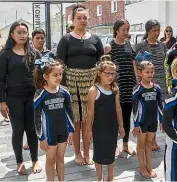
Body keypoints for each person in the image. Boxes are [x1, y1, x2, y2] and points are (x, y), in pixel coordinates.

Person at [56, 3, 104, 165]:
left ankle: (87, 153)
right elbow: (60, 64)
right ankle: (77, 153)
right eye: (79, 18)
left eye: (85, 18)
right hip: (72, 83)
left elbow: (102, 61)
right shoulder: (66, 39)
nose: (82, 21)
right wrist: (62, 88)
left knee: (89, 120)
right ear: (72, 20)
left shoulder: (95, 39)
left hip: (91, 83)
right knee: (76, 120)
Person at [0, 22, 42, 175]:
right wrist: (2, 102)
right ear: (12, 35)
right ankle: (19, 162)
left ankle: (35, 159)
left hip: (32, 97)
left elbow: (41, 76)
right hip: (13, 98)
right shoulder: (5, 55)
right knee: (18, 130)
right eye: (19, 32)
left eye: (25, 32)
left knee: (31, 129)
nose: (23, 35)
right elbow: (1, 80)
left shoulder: (35, 54)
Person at [33, 56, 74, 181]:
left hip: (63, 131)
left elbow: (70, 112)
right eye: (55, 75)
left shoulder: (65, 92)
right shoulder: (40, 94)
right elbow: (36, 118)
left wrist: (71, 130)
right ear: (46, 77)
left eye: (60, 74)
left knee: (60, 158)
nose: (59, 77)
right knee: (50, 160)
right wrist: (41, 137)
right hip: (49, 133)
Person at [85, 55, 125, 181]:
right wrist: (88, 130)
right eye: (107, 73)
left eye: (113, 74)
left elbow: (118, 109)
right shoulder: (94, 90)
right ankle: (99, 178)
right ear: (99, 73)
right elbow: (90, 112)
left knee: (111, 151)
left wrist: (121, 126)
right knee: (99, 153)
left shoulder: (115, 89)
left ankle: (110, 176)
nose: (110, 76)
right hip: (98, 128)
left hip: (112, 127)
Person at [104, 19, 137, 157]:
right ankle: (113, 146)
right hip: (116, 86)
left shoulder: (129, 45)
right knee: (114, 117)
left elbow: (133, 63)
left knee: (126, 116)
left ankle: (125, 144)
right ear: (116, 30)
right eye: (124, 30)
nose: (126, 33)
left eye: (128, 30)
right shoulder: (109, 47)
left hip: (129, 85)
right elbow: (105, 68)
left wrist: (137, 81)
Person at [136, 19, 167, 151]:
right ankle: (149, 140)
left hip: (160, 80)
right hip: (147, 81)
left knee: (159, 109)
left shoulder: (162, 45)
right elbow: (137, 63)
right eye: (154, 30)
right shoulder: (141, 45)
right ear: (148, 31)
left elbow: (165, 63)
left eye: (158, 30)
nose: (156, 33)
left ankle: (153, 138)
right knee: (148, 109)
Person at [132, 51, 163, 178]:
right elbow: (134, 107)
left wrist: (162, 120)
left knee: (149, 144)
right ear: (140, 73)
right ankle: (142, 166)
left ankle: (149, 166)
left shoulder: (157, 88)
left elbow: (160, 105)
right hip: (142, 122)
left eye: (151, 72)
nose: (150, 74)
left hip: (153, 121)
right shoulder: (138, 89)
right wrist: (136, 124)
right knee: (141, 145)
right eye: (147, 72)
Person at [24, 28, 55, 150]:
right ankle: (30, 139)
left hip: (47, 88)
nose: (40, 40)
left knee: (46, 113)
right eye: (38, 38)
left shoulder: (50, 54)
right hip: (33, 89)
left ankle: (47, 135)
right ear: (32, 39)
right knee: (33, 115)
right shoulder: (28, 53)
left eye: (42, 38)